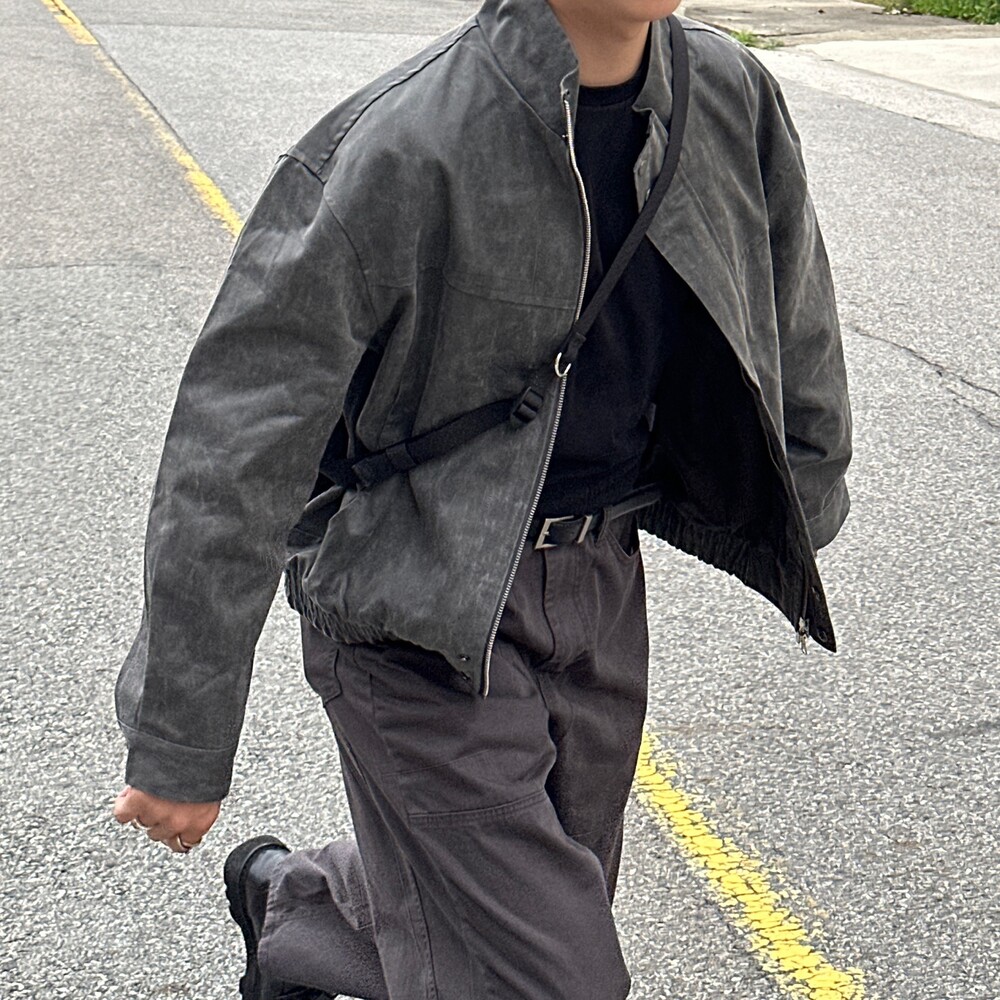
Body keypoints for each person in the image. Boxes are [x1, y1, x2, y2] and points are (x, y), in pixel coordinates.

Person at [111, 0, 852, 997]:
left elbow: (791, 301)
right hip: (414, 606)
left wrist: (806, 478)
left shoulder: (725, 92)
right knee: (556, 975)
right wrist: (180, 735)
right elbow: (234, 445)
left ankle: (294, 904)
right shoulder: (399, 144)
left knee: (545, 900)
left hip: (600, 583)